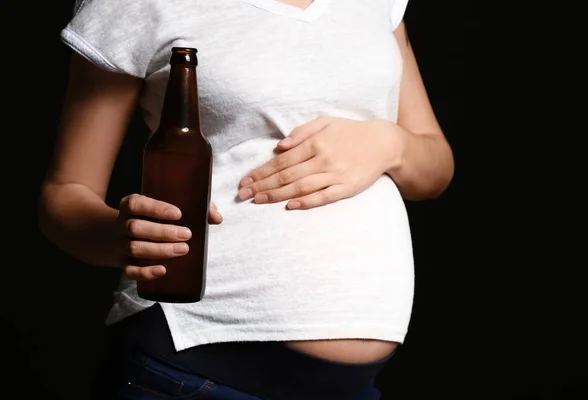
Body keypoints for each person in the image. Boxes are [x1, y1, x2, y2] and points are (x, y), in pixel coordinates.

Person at [39, 0, 454, 399]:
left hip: (352, 387)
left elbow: (434, 168)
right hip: (192, 369)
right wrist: (121, 236)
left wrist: (391, 144)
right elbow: (64, 194)